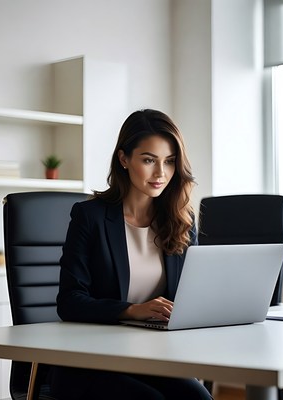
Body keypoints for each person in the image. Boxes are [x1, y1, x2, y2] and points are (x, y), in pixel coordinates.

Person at [50, 109, 213, 399]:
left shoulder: (180, 219)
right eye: (149, 160)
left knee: (199, 398)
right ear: (124, 159)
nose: (161, 173)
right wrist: (131, 310)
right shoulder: (90, 217)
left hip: (153, 356)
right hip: (91, 359)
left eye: (170, 162)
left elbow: (191, 294)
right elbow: (69, 301)